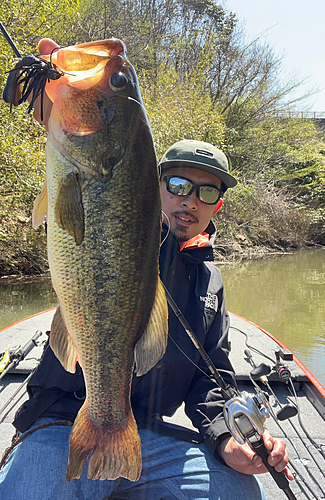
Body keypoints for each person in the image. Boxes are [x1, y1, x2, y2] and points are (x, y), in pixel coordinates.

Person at [0, 39, 292, 500]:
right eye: (177, 183)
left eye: (207, 193)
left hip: (143, 432)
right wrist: (51, 102)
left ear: (217, 206)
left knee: (237, 491)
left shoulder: (207, 281)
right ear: (152, 184)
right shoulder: (132, 229)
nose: (190, 199)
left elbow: (209, 377)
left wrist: (226, 440)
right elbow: (87, 176)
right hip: (60, 420)